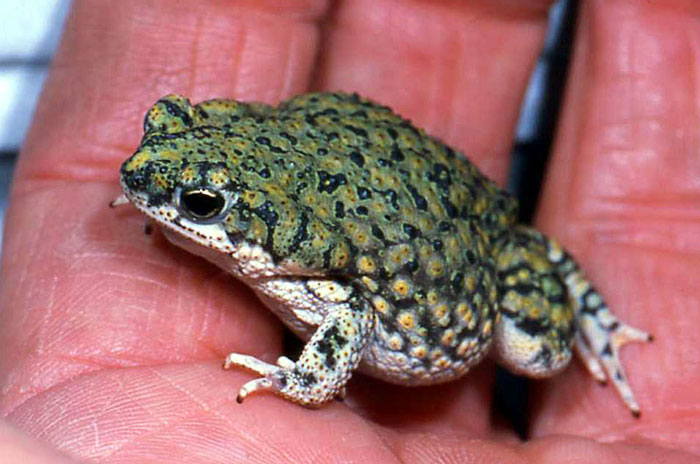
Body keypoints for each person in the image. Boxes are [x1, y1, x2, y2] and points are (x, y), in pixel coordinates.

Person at [1, 0, 697, 462]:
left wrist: (306, 380)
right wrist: (173, 209)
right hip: (377, 187)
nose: (138, 171)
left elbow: (352, 311)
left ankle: (588, 313)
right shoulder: (259, 181)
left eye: (202, 203)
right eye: (162, 129)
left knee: (538, 353)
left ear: (265, 236)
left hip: (460, 265)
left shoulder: (312, 261)